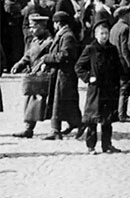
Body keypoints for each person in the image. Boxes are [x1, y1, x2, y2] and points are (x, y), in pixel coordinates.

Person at [74, 11, 123, 153]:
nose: (104, 36)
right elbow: (79, 67)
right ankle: (91, 146)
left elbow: (118, 66)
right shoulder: (91, 49)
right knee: (93, 120)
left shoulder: (112, 49)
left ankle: (107, 145)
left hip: (109, 89)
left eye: (106, 33)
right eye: (101, 34)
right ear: (96, 35)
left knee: (107, 120)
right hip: (96, 90)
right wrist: (88, 77)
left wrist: (120, 80)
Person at [10, 15, 55, 139]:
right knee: (31, 103)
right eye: (30, 27)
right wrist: (19, 64)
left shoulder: (50, 42)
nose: (31, 30)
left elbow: (51, 57)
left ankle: (56, 129)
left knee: (47, 104)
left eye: (34, 27)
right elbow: (28, 55)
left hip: (45, 76)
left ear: (42, 27)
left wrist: (45, 66)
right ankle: (28, 128)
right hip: (34, 76)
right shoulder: (33, 40)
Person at [44, 11, 84, 140]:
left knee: (59, 101)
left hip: (64, 74)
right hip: (60, 73)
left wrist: (48, 58)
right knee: (67, 102)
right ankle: (76, 123)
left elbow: (65, 55)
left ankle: (55, 130)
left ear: (58, 23)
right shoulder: (63, 35)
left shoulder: (67, 37)